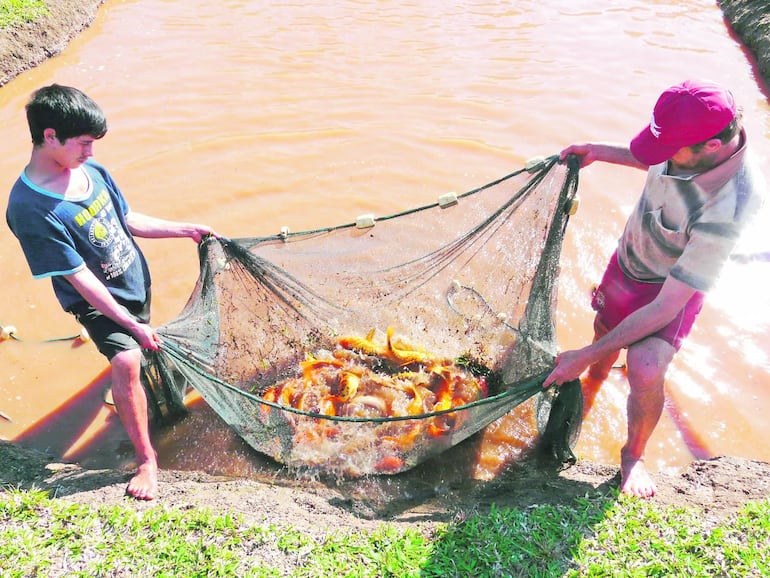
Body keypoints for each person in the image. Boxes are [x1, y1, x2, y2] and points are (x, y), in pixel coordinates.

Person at [542, 79, 765, 498]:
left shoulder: (730, 204)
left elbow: (667, 306)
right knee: (603, 335)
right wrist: (600, 151)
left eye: (670, 152)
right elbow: (654, 157)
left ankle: (634, 455)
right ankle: (594, 380)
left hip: (670, 290)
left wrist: (581, 356)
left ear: (712, 148)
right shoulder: (688, 139)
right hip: (631, 260)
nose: (662, 157)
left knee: (645, 367)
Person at [5, 84, 216, 500]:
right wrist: (130, 325)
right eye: (84, 144)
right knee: (125, 359)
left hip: (134, 281)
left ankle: (130, 381)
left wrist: (186, 229)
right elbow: (78, 278)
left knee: (136, 352)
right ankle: (146, 462)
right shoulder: (30, 208)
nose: (91, 152)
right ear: (50, 136)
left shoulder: (91, 173)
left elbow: (127, 219)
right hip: (98, 302)